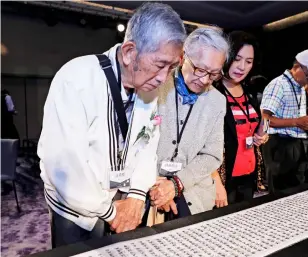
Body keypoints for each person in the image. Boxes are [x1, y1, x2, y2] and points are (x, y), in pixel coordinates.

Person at [37, 3, 186, 247]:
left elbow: (148, 145)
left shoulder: (149, 88)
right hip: (77, 211)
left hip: (123, 203)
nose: (164, 78)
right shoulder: (76, 78)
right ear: (129, 52)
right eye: (160, 65)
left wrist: (137, 196)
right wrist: (111, 212)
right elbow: (66, 165)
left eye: (172, 68)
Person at [149, 27, 229, 218]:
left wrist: (175, 185)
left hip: (192, 189)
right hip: (148, 185)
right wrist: (156, 185)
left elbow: (212, 154)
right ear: (183, 57)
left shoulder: (217, 101)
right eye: (200, 70)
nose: (204, 80)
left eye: (214, 74)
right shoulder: (156, 85)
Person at [213, 31, 268, 208]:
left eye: (248, 61)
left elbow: (253, 129)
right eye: (237, 59)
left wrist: (262, 136)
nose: (242, 66)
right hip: (223, 179)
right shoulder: (212, 93)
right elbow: (202, 145)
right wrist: (216, 183)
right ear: (226, 56)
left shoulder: (250, 93)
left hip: (249, 174)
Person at [261, 49, 308, 193]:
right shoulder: (278, 85)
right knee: (280, 194)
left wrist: (306, 117)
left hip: (297, 144)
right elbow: (264, 120)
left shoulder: (300, 88)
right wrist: (297, 121)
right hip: (279, 145)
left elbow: (292, 115)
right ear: (297, 67)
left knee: (297, 190)